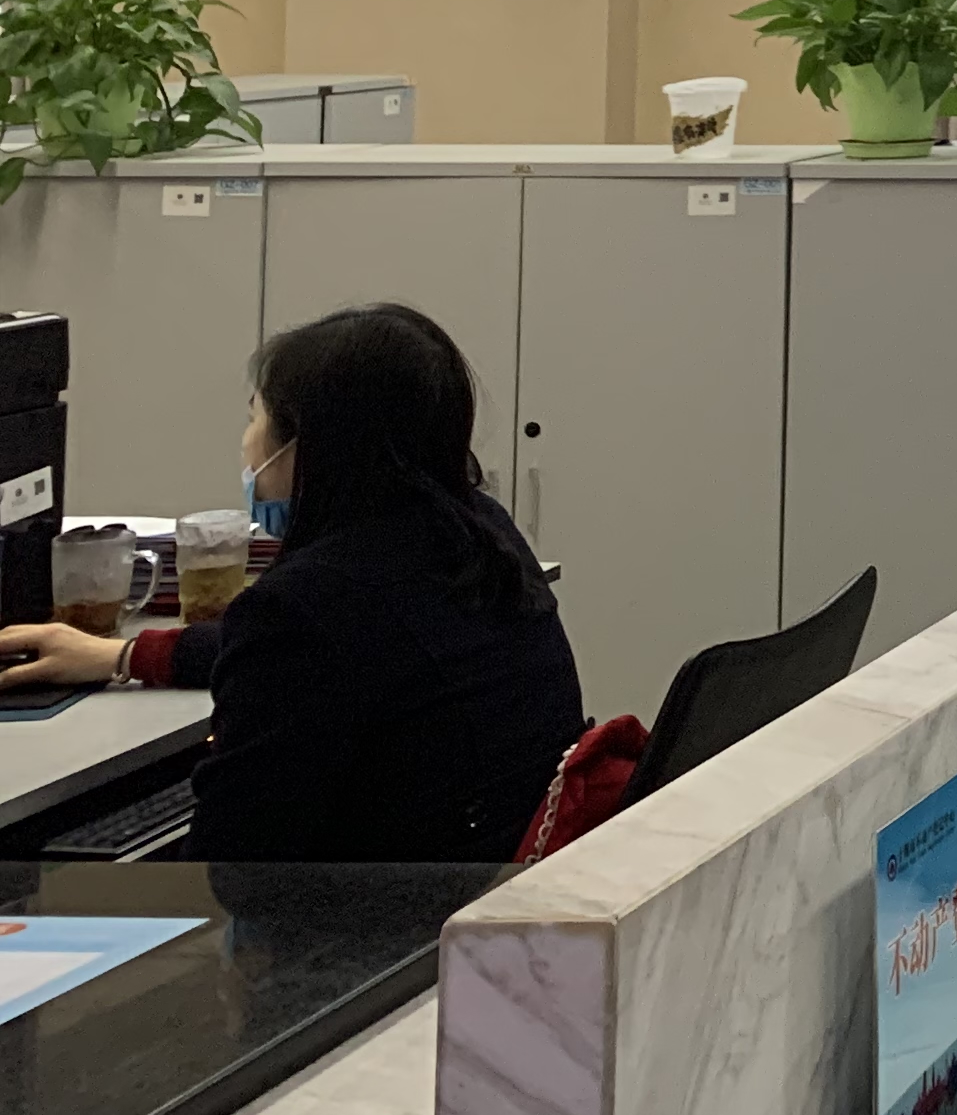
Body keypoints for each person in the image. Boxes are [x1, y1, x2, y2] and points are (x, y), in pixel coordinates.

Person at [0, 303, 583, 863]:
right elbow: (314, 647)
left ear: (305, 444)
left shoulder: (309, 605)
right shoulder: (479, 535)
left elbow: (229, 865)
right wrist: (121, 656)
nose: (246, 440)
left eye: (254, 416)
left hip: (374, 917)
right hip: (488, 884)